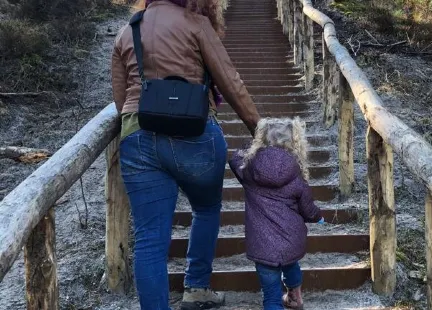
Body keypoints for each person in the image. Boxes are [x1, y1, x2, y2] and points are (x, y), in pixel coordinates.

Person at [110, 0, 260, 309]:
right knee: (206, 209)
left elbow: (121, 95)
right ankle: (196, 287)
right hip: (195, 137)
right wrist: (258, 128)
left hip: (138, 139)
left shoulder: (128, 30)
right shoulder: (196, 23)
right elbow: (229, 80)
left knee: (150, 238)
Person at [228, 118, 324, 310]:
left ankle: (283, 301)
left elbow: (234, 158)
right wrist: (318, 217)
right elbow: (307, 208)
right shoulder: (296, 173)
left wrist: (255, 143)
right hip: (290, 241)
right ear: (294, 142)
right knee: (291, 266)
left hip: (262, 245)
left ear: (261, 139)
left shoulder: (249, 169)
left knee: (271, 296)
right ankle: (295, 298)